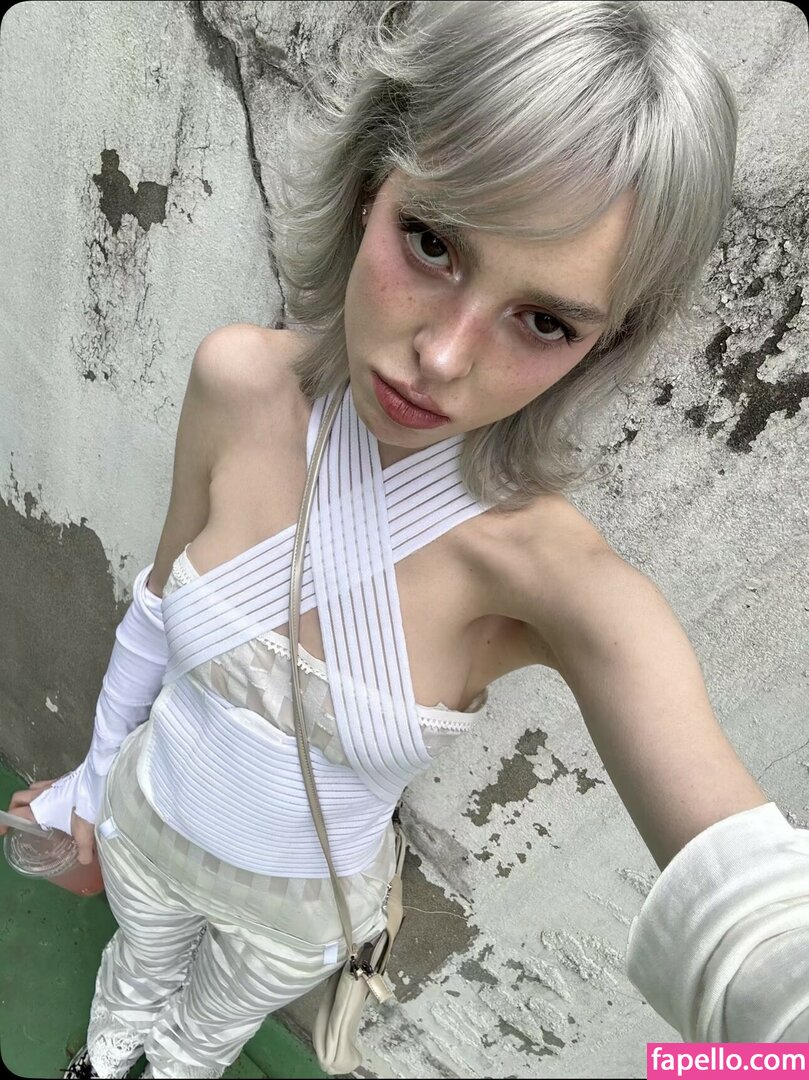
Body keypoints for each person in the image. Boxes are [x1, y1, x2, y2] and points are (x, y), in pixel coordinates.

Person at [3, 1, 807, 1077]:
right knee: (129, 984)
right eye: (432, 242)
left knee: (201, 1039)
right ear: (367, 184)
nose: (441, 357)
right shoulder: (238, 380)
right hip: (146, 828)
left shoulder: (552, 579)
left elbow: (755, 931)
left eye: (544, 321)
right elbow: (154, 609)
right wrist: (89, 786)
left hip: (292, 919)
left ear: (602, 345)